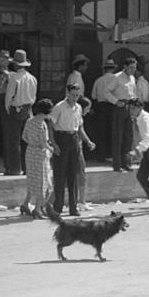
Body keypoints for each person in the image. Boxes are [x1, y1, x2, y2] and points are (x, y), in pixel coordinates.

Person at [48, 85, 95, 217]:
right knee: (60, 174)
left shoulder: (78, 108)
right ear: (67, 93)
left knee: (73, 174)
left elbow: (80, 127)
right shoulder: (59, 107)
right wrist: (53, 143)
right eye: (73, 95)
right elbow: (50, 125)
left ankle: (73, 207)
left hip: (73, 139)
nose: (75, 98)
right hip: (61, 137)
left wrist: (87, 141)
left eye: (77, 95)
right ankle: (58, 207)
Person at [4, 49, 37, 176]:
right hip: (28, 110)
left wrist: (9, 109)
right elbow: (33, 98)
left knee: (14, 141)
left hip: (16, 110)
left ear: (16, 64)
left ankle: (14, 168)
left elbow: (8, 97)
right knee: (26, 141)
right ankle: (27, 167)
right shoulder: (32, 79)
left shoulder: (14, 78)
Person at [21, 98, 56, 219]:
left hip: (29, 151)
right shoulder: (42, 125)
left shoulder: (29, 121)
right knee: (42, 182)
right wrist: (51, 149)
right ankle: (37, 208)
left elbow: (24, 136)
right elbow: (43, 143)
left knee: (32, 180)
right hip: (39, 154)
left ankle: (25, 204)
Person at [104, 57, 138, 172]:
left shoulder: (133, 78)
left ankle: (126, 163)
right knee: (118, 136)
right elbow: (106, 91)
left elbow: (133, 93)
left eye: (135, 68)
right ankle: (117, 164)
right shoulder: (117, 77)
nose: (133, 70)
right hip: (120, 106)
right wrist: (115, 101)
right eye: (131, 67)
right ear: (125, 67)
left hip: (130, 106)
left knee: (128, 137)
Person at [89, 59, 117, 162]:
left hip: (100, 107)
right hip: (113, 106)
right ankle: (110, 154)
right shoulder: (116, 79)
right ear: (113, 68)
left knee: (101, 131)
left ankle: (101, 155)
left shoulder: (98, 80)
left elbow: (93, 95)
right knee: (112, 130)